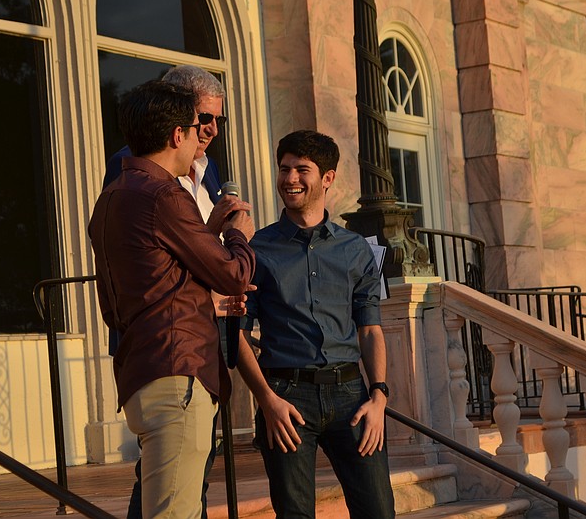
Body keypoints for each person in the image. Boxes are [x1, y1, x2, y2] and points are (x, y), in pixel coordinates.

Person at [89, 80, 255, 519]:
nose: (203, 140)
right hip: (177, 371)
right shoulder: (165, 194)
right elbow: (233, 273)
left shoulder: (109, 199)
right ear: (175, 135)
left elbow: (122, 301)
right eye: (196, 127)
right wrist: (239, 233)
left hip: (142, 370)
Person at [236, 130, 395, 518]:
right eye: (284, 169)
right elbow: (236, 333)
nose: (289, 179)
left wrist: (379, 396)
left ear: (327, 178)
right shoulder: (257, 249)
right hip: (285, 398)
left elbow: (370, 328)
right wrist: (266, 400)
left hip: (352, 398)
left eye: (301, 170)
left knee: (379, 512)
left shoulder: (355, 249)